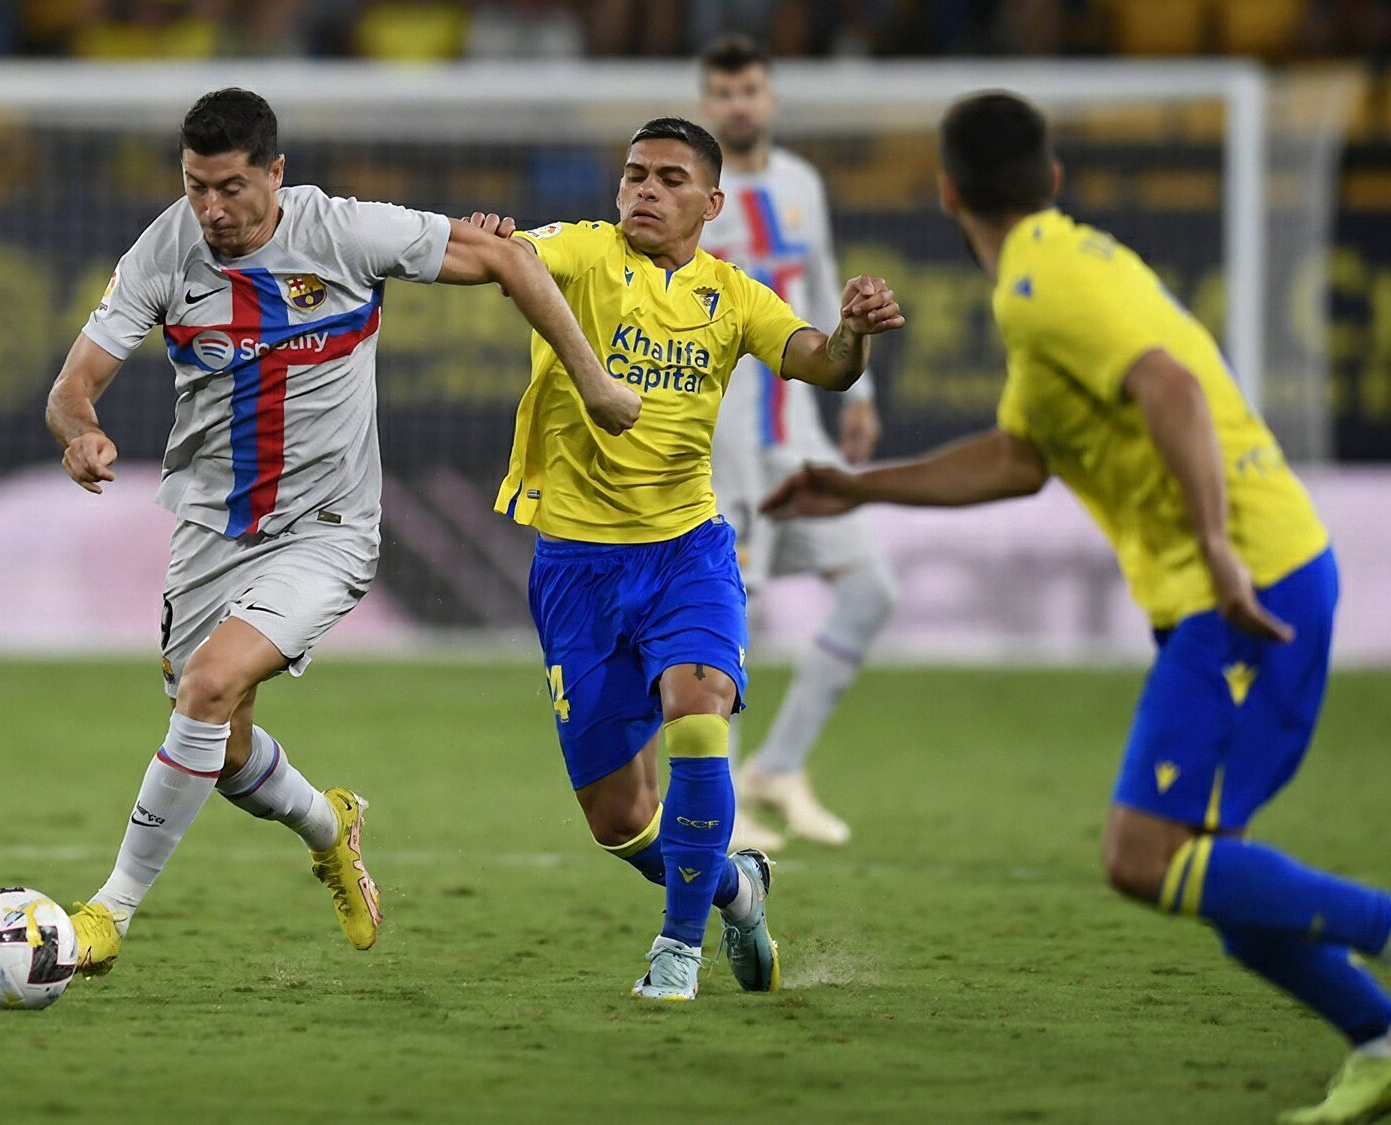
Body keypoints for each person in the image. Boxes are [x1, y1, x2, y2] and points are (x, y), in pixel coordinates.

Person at [764, 90, 1391, 1125]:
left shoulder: (1042, 284)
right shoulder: (1058, 268)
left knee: (1144, 855)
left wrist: (1222, 553)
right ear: (1051, 179)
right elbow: (1021, 459)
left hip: (1247, 589)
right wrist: (859, 486)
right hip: (1251, 580)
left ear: (945, 191)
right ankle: (1375, 1038)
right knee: (1215, 873)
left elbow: (1173, 393)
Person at [45, 87, 638, 977]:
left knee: (205, 688)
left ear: (277, 174)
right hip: (210, 527)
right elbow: (71, 385)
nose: (213, 209)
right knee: (223, 740)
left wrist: (592, 380)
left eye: (234, 187)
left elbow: (508, 258)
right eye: (197, 185)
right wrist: (80, 432)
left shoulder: (346, 232)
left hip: (329, 529)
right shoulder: (164, 252)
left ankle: (108, 913)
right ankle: (330, 823)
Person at [468, 116, 903, 1000]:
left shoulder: (735, 295)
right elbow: (506, 262)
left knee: (698, 712)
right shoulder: (584, 254)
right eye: (634, 175)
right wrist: (486, 241)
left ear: (711, 202)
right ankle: (738, 889)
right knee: (619, 820)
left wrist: (853, 333)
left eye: (668, 179)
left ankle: (676, 951)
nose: (644, 192)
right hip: (577, 570)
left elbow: (823, 364)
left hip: (686, 552)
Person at [698, 34, 900, 851]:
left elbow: (823, 285)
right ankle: (726, 799)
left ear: (769, 99)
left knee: (871, 590)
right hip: (725, 439)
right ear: (707, 103)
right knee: (727, 609)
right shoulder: (691, 193)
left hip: (801, 430)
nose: (738, 104)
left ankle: (778, 766)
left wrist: (866, 387)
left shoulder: (801, 185)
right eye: (723, 92)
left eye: (749, 90)